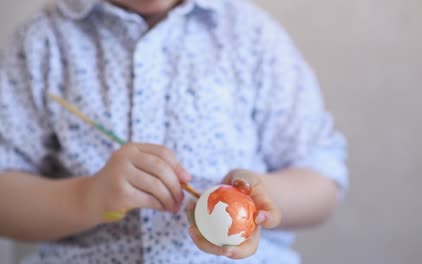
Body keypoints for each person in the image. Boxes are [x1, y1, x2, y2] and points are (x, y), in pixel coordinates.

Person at [0, 0, 348, 263]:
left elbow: (322, 178)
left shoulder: (251, 37)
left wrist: (257, 197)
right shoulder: (44, 42)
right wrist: (88, 197)